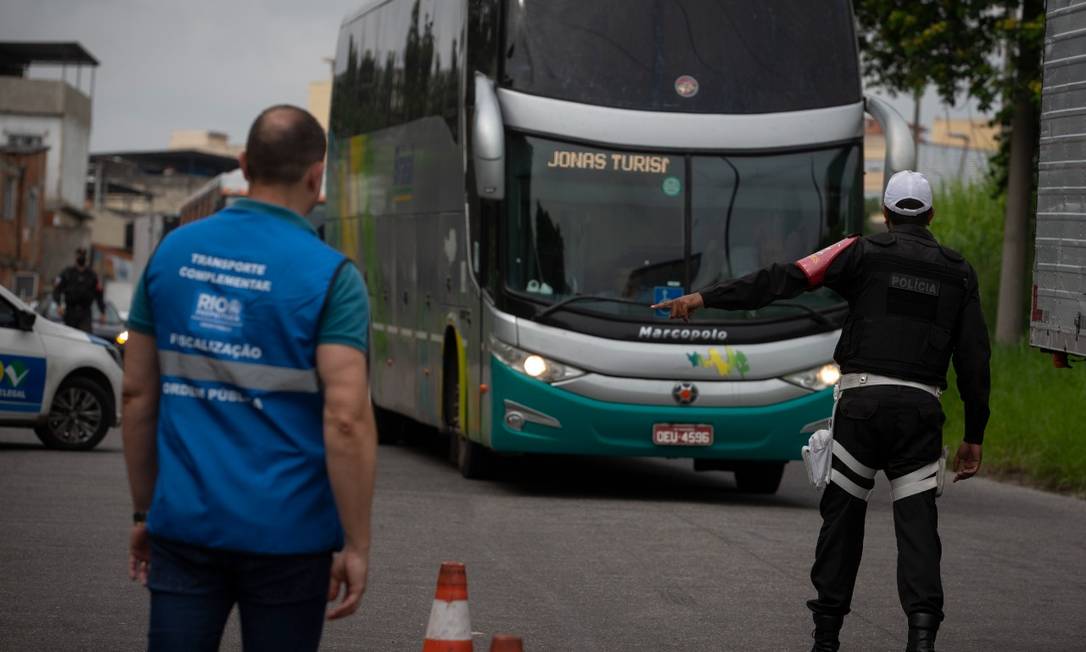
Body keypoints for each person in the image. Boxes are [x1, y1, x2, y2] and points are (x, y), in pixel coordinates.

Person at [652, 170, 990, 652]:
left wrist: (705, 298)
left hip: (861, 407)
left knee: (843, 518)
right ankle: (921, 636)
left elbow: (784, 278)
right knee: (917, 525)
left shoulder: (858, 252)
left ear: (887, 215)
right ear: (931, 215)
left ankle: (827, 637)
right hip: (920, 411)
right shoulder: (959, 271)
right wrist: (975, 434)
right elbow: (976, 358)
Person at [122, 105, 377, 652]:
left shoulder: (172, 254)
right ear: (317, 174)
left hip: (185, 524)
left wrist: (147, 510)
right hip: (290, 536)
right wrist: (356, 544)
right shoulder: (332, 277)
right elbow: (347, 418)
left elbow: (137, 393)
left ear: (242, 164)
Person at [53, 247, 105, 333]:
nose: (81, 258)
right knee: (70, 336)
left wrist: (102, 312)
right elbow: (57, 289)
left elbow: (99, 294)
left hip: (85, 313)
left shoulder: (92, 275)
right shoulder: (67, 273)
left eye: (83, 255)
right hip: (70, 312)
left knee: (84, 337)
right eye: (79, 255)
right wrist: (59, 305)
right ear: (76, 257)